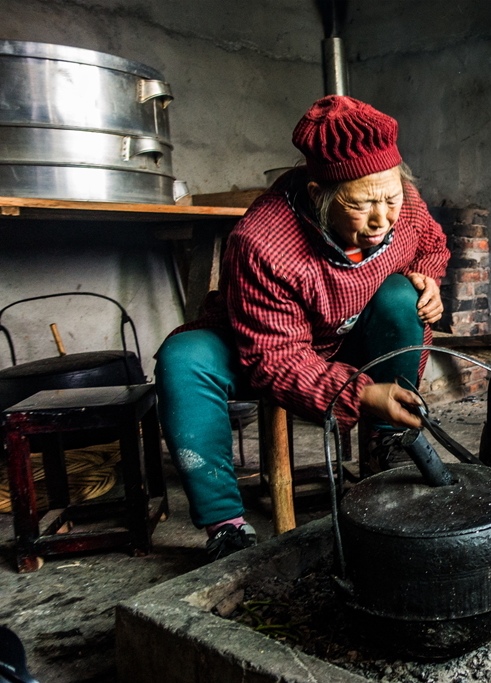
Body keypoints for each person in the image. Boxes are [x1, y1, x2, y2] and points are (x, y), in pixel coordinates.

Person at [154, 96, 451, 560]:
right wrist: (356, 393)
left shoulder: (399, 199)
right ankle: (226, 525)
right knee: (184, 361)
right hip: (262, 339)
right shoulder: (263, 243)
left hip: (346, 333)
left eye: (390, 199)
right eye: (362, 206)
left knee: (400, 296)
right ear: (318, 194)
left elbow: (430, 242)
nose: (382, 218)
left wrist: (429, 276)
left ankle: (388, 442)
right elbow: (276, 357)